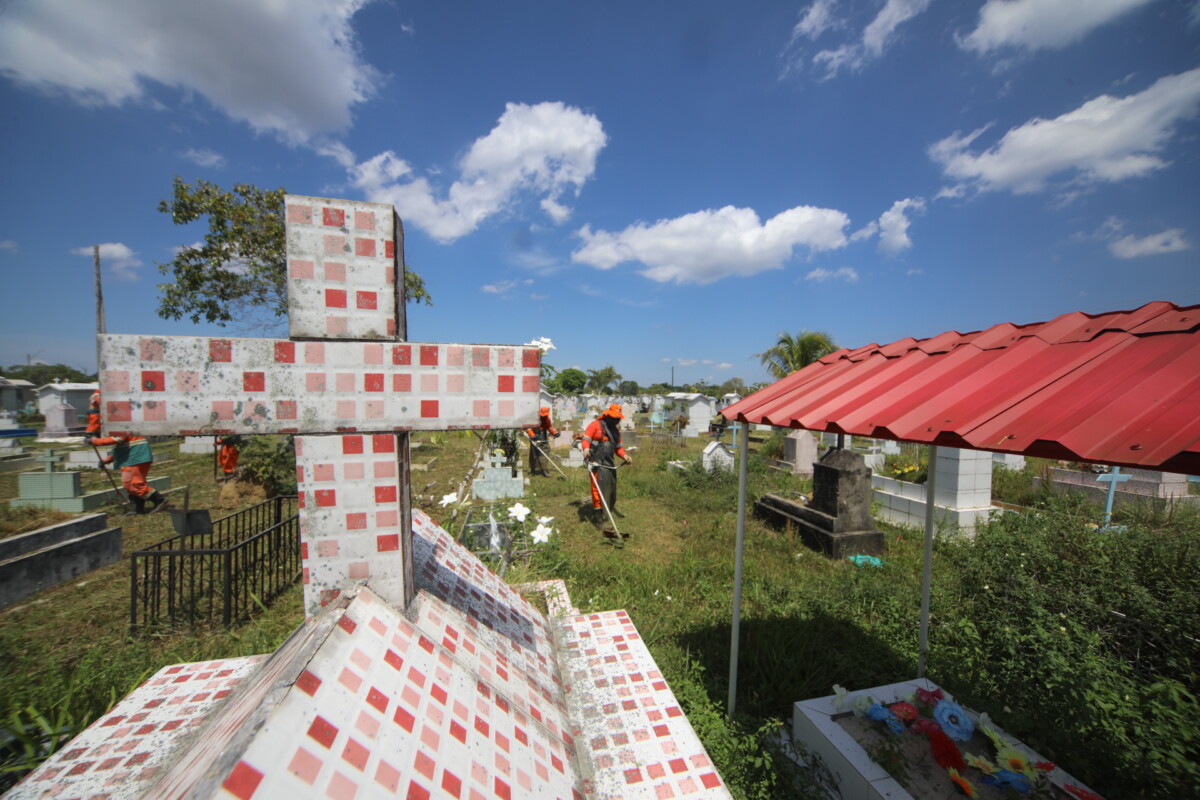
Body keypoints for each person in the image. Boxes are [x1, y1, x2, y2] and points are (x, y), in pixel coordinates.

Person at [88, 433, 169, 515]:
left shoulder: (120, 423)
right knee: (134, 483)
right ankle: (138, 509)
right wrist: (108, 459)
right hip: (137, 457)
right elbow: (121, 446)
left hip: (135, 457)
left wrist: (95, 441)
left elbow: (118, 439)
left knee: (132, 484)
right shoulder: (119, 425)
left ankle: (159, 500)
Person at [580, 403, 633, 526]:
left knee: (610, 487)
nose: (615, 420)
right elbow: (586, 439)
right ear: (607, 415)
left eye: (617, 418)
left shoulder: (615, 432)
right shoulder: (595, 425)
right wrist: (586, 450)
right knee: (597, 488)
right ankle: (597, 514)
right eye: (613, 418)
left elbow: (618, 448)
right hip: (596, 462)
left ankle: (606, 510)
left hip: (609, 463)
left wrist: (625, 456)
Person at [525, 406, 558, 476]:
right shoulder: (533, 418)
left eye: (545, 415)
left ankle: (544, 470)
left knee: (544, 453)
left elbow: (549, 427)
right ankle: (533, 470)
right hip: (534, 437)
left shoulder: (547, 419)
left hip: (543, 436)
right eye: (543, 415)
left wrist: (555, 433)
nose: (544, 417)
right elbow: (528, 427)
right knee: (533, 454)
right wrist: (532, 435)